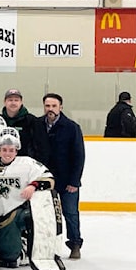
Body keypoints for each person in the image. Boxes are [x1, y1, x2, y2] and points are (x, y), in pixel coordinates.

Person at [0, 128, 55, 268]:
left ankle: (26, 244)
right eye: (4, 149)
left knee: (10, 258)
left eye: (11, 150)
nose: (8, 154)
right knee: (2, 256)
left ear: (16, 150)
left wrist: (33, 185)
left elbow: (49, 179)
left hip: (17, 212)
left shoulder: (27, 163)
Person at [37, 93, 85, 259]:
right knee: (46, 215)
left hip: (67, 182)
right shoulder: (38, 125)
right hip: (45, 181)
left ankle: (75, 244)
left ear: (61, 107)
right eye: (47, 106)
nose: (50, 109)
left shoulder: (72, 127)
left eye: (54, 106)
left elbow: (79, 156)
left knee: (70, 213)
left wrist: (74, 181)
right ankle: (48, 246)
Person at [0, 89, 49, 161]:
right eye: (10, 100)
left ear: (21, 102)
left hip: (25, 164)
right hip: (4, 163)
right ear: (4, 102)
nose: (13, 103)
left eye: (16, 100)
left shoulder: (32, 121)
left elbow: (42, 147)